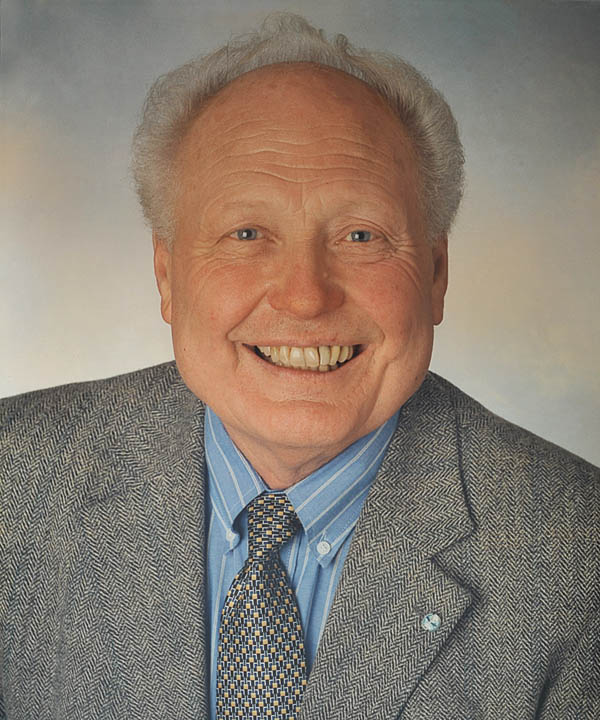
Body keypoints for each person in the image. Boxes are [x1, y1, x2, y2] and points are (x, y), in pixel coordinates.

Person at [1, 12, 598, 720]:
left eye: (360, 235)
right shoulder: (15, 482)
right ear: (166, 274)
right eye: (247, 232)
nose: (306, 296)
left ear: (437, 274)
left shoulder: (577, 558)